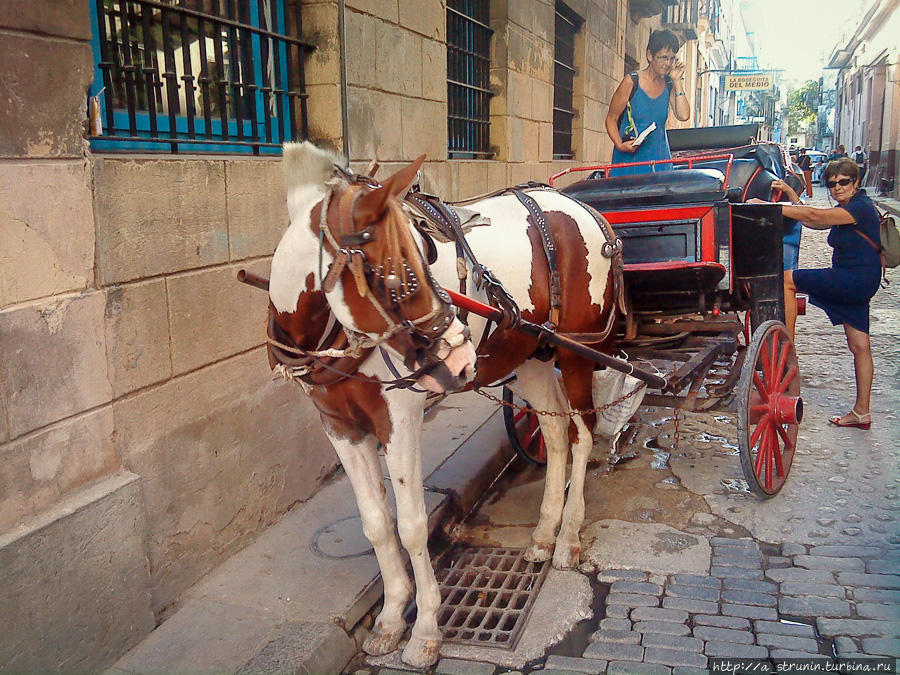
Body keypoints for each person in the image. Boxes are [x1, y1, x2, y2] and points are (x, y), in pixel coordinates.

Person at [751, 158, 881, 429]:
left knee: (788, 280)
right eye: (832, 184)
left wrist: (769, 207)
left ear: (856, 183)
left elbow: (815, 217)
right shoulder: (849, 207)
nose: (837, 188)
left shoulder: (861, 208)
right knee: (860, 346)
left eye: (843, 182)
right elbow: (813, 221)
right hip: (861, 281)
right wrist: (790, 195)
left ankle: (786, 348)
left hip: (852, 279)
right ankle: (862, 413)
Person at [605, 29, 690, 176]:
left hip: (660, 161)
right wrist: (620, 144)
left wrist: (677, 80)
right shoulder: (631, 82)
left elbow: (683, 115)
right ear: (650, 55)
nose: (668, 63)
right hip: (629, 161)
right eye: (663, 58)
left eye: (671, 58)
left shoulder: (669, 84)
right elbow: (611, 119)